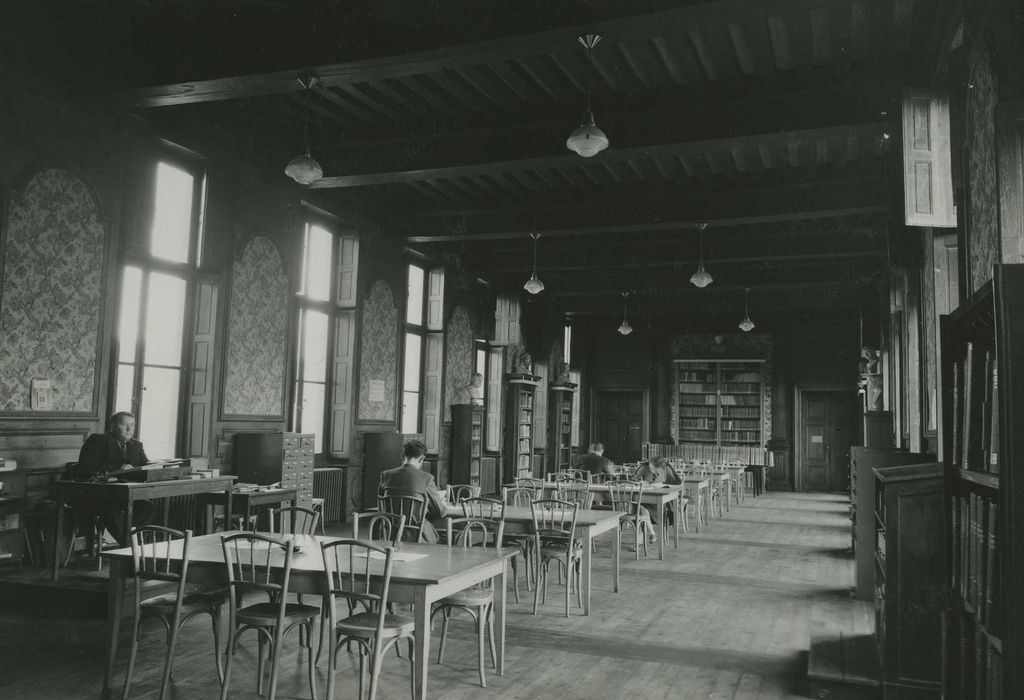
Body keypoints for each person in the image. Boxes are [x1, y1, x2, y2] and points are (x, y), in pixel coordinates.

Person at [74, 411, 154, 545]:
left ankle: (131, 541)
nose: (129, 429)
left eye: (132, 425)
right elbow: (85, 468)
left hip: (124, 494)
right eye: (124, 425)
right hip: (96, 494)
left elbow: (144, 466)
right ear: (112, 426)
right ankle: (128, 545)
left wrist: (158, 467)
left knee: (146, 506)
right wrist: (116, 470)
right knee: (110, 508)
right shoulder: (98, 441)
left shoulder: (136, 445)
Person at [377, 439, 447, 543]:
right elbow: (440, 512)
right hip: (417, 535)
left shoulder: (386, 475)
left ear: (402, 456)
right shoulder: (426, 478)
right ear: (422, 459)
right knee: (445, 537)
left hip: (390, 532)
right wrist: (442, 502)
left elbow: (380, 506)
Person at [634, 456, 683, 535]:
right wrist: (641, 483)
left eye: (655, 469)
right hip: (646, 496)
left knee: (642, 507)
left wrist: (662, 483)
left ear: (660, 467)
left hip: (663, 499)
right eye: (651, 467)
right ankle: (651, 533)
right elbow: (632, 479)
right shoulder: (644, 467)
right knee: (640, 506)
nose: (652, 471)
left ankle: (652, 533)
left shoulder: (666, 467)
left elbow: (678, 482)